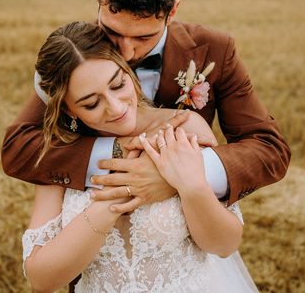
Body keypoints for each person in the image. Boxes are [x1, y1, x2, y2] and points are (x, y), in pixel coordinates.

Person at [2, 0, 290, 213]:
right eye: (113, 32)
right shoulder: (75, 54)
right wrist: (118, 152)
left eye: (143, 37)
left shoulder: (215, 50)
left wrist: (177, 176)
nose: (126, 52)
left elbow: (269, 149)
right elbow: (18, 149)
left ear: (173, 11)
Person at [22, 21, 259, 292]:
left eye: (118, 84)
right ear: (69, 110)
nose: (115, 107)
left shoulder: (183, 126)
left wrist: (191, 187)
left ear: (127, 70)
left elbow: (225, 245)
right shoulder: (63, 151)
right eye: (91, 103)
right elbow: (41, 279)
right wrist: (117, 198)